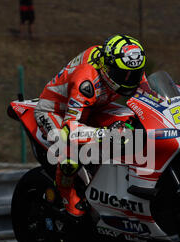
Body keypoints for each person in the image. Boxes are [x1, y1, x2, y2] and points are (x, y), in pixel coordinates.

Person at [34, 34, 153, 217]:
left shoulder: (127, 64)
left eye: (134, 75)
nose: (129, 80)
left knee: (133, 124)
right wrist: (106, 134)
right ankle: (67, 194)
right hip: (55, 111)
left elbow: (149, 97)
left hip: (95, 106)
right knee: (69, 151)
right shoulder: (86, 80)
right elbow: (70, 129)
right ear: (107, 66)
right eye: (123, 75)